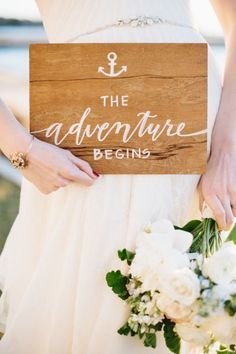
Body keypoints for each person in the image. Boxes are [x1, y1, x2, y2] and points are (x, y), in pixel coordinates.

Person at [0, 1, 235, 353]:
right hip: (82, 118)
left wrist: (226, 150)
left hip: (187, 114)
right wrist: (20, 146)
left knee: (177, 294)